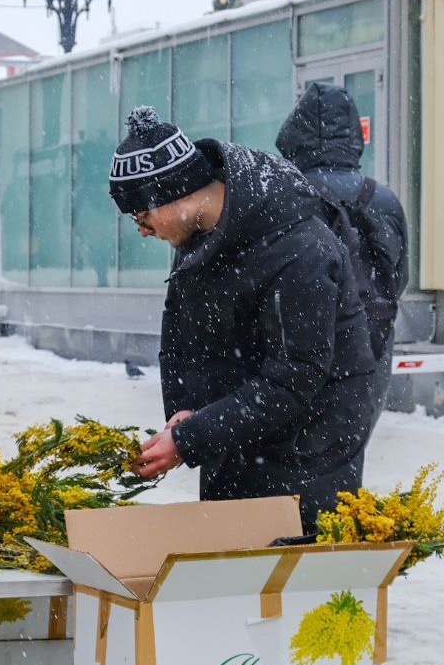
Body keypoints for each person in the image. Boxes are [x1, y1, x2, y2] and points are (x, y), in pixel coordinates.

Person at [114, 106, 379, 531]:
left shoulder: (299, 248)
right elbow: (181, 339)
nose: (142, 230)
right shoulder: (204, 239)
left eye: (141, 215)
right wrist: (186, 410)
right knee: (230, 574)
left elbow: (294, 377)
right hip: (237, 439)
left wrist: (191, 439)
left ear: (177, 194)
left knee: (290, 585)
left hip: (306, 456)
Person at [276, 82, 410, 442]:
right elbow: (399, 277)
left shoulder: (286, 193)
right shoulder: (384, 199)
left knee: (292, 463)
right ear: (354, 135)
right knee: (349, 456)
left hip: (300, 348)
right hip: (371, 345)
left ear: (295, 132)